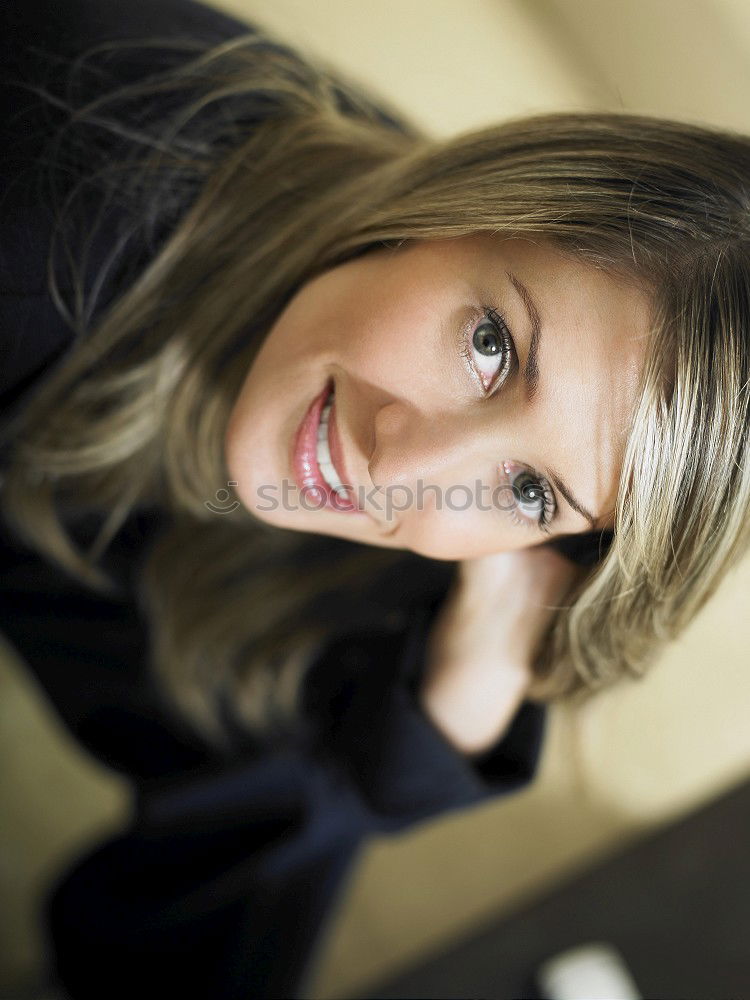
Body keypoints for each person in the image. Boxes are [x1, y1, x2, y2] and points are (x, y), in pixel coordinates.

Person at [1, 0, 748, 997]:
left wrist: (488, 631)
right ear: (469, 200)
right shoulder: (55, 200)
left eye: (532, 488)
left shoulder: (380, 363)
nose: (408, 463)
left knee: (299, 765)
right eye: (493, 349)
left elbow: (366, 782)